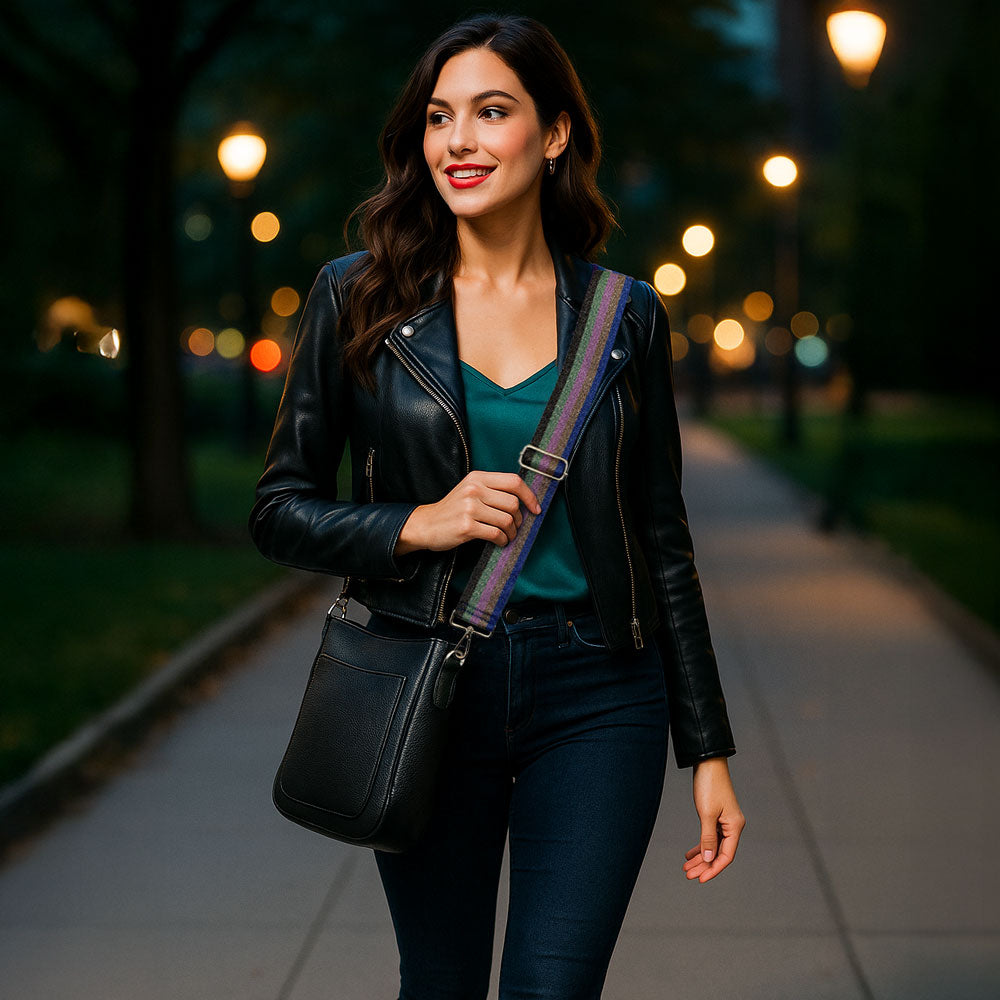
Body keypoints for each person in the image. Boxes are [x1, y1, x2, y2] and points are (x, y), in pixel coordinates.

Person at [249, 13, 745, 999]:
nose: (458, 141)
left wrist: (708, 747)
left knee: (551, 988)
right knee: (439, 981)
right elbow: (277, 507)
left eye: (491, 111)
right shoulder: (358, 297)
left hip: (600, 689)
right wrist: (410, 524)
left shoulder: (622, 315)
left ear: (553, 134)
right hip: (429, 679)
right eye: (439, 117)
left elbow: (661, 538)